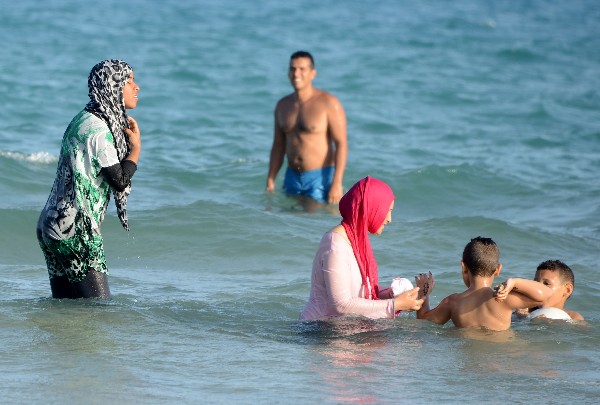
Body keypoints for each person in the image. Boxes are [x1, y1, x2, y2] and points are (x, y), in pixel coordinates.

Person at [36, 59, 141, 299]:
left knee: (66, 310)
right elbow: (119, 180)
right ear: (112, 87)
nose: (137, 87)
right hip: (77, 232)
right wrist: (135, 149)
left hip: (50, 225)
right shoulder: (99, 130)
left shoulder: (81, 119)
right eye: (129, 81)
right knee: (99, 311)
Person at [300, 176, 423, 320]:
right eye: (387, 210)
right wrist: (394, 304)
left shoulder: (356, 240)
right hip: (319, 330)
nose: (389, 219)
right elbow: (341, 304)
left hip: (341, 328)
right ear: (371, 208)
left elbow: (362, 292)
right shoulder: (335, 244)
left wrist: (393, 294)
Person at [414, 236, 553, 331]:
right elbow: (546, 294)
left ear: (463, 267)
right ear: (498, 269)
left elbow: (424, 320)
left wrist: (423, 293)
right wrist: (514, 282)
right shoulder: (503, 298)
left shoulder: (453, 302)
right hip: (498, 357)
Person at [266, 50, 347, 208]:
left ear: (312, 73)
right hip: (292, 176)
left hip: (320, 177)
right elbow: (278, 145)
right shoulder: (282, 105)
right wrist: (271, 178)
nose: (296, 74)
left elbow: (341, 144)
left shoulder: (328, 103)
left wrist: (337, 183)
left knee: (316, 221)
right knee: (289, 224)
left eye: (302, 69)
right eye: (292, 69)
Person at [515, 260, 584, 321]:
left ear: (567, 290)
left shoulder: (573, 317)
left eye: (546, 283)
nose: (538, 288)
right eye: (536, 283)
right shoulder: (525, 311)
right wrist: (521, 318)